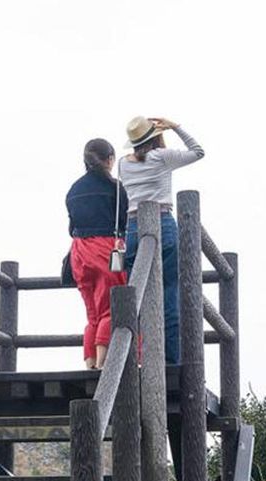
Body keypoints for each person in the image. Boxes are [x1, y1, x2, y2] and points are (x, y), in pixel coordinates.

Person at [119, 116, 205, 365]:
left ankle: (132, 357)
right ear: (154, 136)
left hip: (133, 228)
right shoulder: (161, 157)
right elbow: (198, 152)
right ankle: (169, 361)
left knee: (136, 295)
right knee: (169, 291)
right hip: (163, 223)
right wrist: (176, 126)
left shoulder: (123, 164)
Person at [66, 138, 128, 369]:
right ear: (110, 159)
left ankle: (89, 361)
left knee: (92, 311)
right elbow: (124, 221)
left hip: (79, 251)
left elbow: (71, 227)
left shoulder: (74, 190)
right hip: (106, 248)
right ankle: (103, 365)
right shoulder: (115, 188)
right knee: (111, 305)